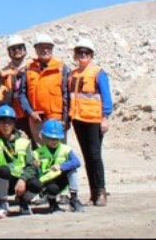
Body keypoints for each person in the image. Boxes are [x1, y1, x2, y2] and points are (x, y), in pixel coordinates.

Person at [68, 37, 112, 207]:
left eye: (86, 52)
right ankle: (93, 194)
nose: (82, 55)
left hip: (94, 120)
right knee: (87, 156)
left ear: (91, 54)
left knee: (95, 155)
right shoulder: (72, 74)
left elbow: (106, 97)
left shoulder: (98, 72)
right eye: (79, 52)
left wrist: (105, 117)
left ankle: (101, 191)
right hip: (78, 120)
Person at [0, 105, 41, 218]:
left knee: (36, 185)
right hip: (2, 181)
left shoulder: (24, 141)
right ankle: (2, 203)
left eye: (9, 122)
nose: (6, 124)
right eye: (2, 121)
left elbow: (31, 165)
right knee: (3, 170)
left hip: (21, 181)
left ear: (14, 123)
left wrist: (23, 179)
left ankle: (24, 201)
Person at [19, 34, 70, 145]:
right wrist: (30, 112)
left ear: (52, 49)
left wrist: (65, 120)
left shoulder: (61, 68)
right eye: (42, 47)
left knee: (59, 152)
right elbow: (22, 94)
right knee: (42, 153)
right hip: (37, 120)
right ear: (36, 49)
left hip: (57, 120)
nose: (45, 50)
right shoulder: (28, 69)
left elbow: (66, 95)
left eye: (48, 47)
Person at [34, 119, 84, 213]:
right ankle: (52, 203)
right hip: (45, 183)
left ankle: (74, 198)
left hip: (60, 180)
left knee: (72, 169)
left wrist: (62, 166)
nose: (54, 141)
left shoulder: (66, 149)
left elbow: (77, 162)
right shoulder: (38, 153)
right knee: (51, 188)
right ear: (44, 137)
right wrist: (35, 165)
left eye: (56, 138)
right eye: (51, 138)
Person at [1, 35, 31, 138]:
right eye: (13, 49)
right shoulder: (4, 72)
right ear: (9, 52)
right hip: (13, 115)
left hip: (31, 114)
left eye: (20, 48)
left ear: (25, 50)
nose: (17, 51)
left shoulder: (33, 67)